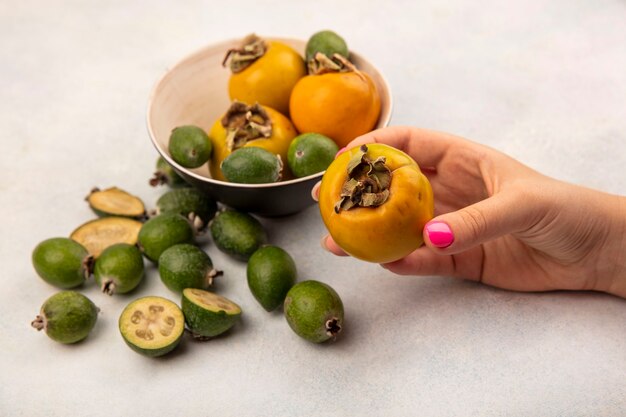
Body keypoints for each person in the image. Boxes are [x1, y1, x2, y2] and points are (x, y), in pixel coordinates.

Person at [312, 126, 626, 299]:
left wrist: (605, 249)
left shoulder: (356, 190)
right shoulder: (402, 174)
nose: (364, 185)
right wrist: (605, 250)